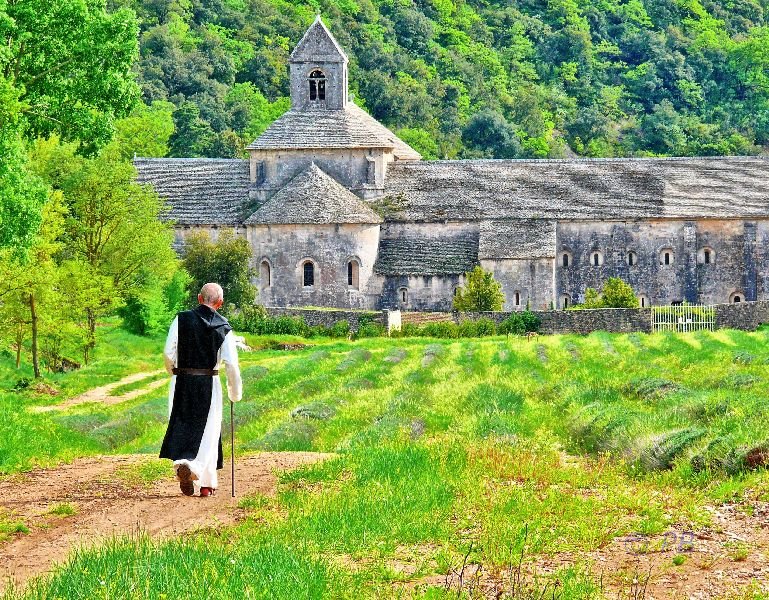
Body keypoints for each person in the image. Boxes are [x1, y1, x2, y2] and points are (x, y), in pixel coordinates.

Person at [159, 283, 242, 497]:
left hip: (181, 381)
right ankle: (203, 481)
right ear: (220, 303)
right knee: (209, 432)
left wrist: (174, 372)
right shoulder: (223, 327)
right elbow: (231, 364)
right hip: (208, 382)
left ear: (198, 298)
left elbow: (169, 352)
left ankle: (183, 466)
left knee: (182, 425)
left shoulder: (181, 319)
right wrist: (235, 392)